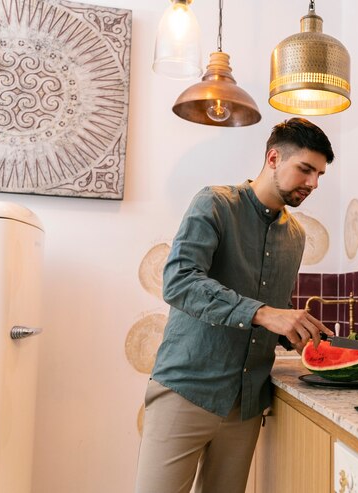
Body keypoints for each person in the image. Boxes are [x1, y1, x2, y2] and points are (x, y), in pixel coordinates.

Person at [134, 118, 335, 493]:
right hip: (186, 391)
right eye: (305, 169)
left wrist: (295, 334)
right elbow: (179, 281)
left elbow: (270, 310)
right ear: (273, 158)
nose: (313, 184)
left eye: (320, 174)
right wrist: (264, 313)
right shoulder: (214, 203)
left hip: (245, 403)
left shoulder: (296, 236)